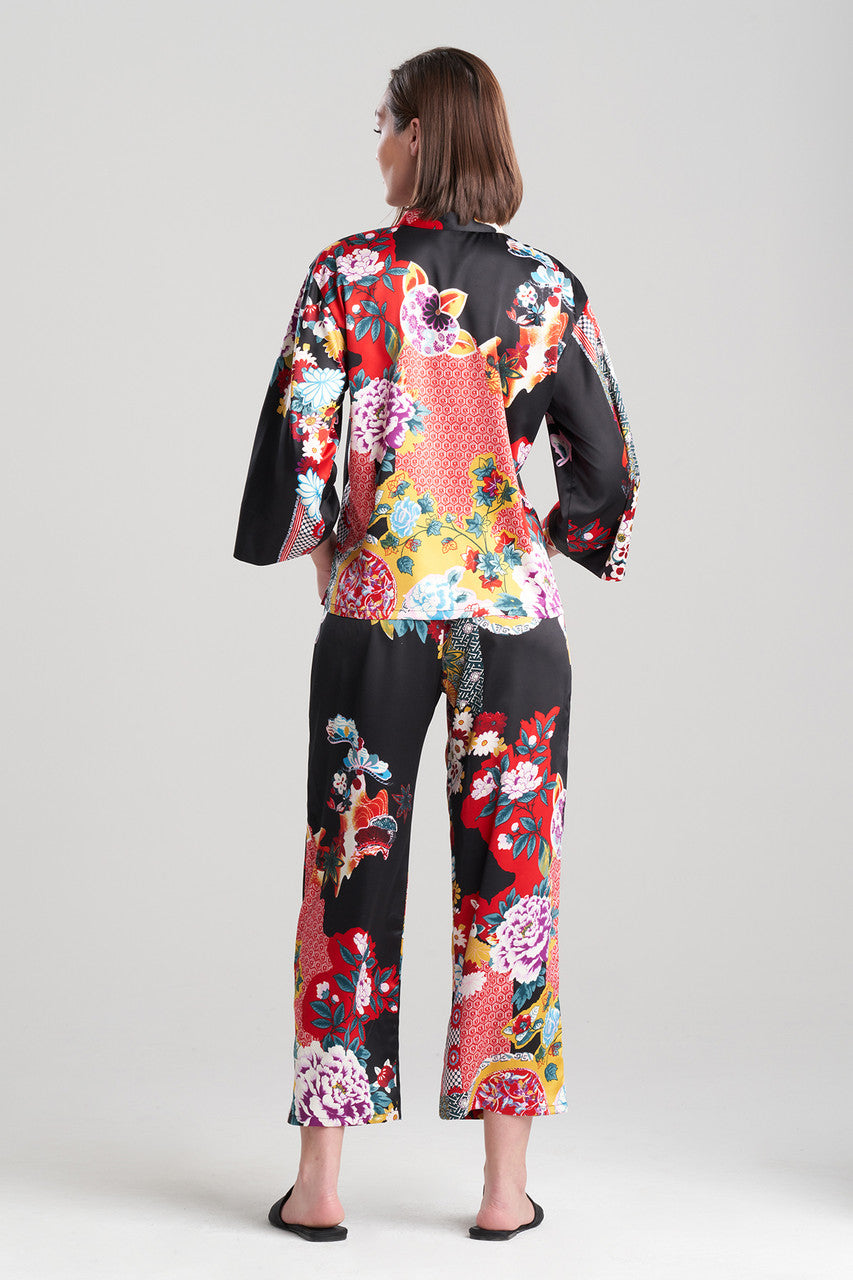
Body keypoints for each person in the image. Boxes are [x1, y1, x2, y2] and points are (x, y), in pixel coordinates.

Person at [233, 46, 639, 1242]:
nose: (376, 144)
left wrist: (328, 548)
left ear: (418, 135)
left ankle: (319, 1185)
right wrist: (537, 541)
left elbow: (301, 441)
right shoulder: (546, 285)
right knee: (512, 891)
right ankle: (504, 1193)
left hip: (380, 613)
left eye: (383, 123)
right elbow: (606, 466)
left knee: (346, 875)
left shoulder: (345, 274)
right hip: (511, 623)